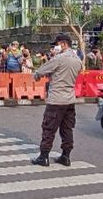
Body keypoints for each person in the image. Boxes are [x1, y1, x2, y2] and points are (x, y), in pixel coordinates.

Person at [31, 34, 83, 167]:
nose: (56, 47)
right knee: (67, 129)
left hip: (56, 99)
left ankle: (44, 156)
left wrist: (36, 75)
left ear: (64, 44)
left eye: (57, 44)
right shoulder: (77, 60)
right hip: (70, 99)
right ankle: (66, 156)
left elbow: (42, 71)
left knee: (48, 128)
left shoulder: (59, 58)